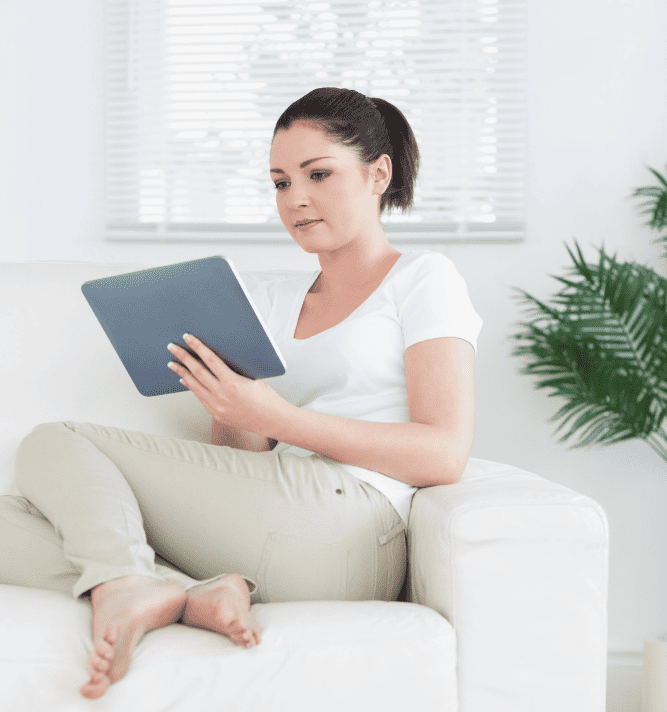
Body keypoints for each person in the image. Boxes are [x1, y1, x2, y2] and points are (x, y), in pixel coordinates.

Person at [0, 87, 482, 699]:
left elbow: (444, 453)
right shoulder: (272, 303)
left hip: (350, 521)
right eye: (280, 182)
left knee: (55, 441)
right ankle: (187, 590)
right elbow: (243, 461)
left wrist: (279, 415)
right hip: (270, 532)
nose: (296, 199)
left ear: (377, 173)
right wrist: (230, 406)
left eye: (318, 174)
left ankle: (128, 578)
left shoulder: (423, 278)